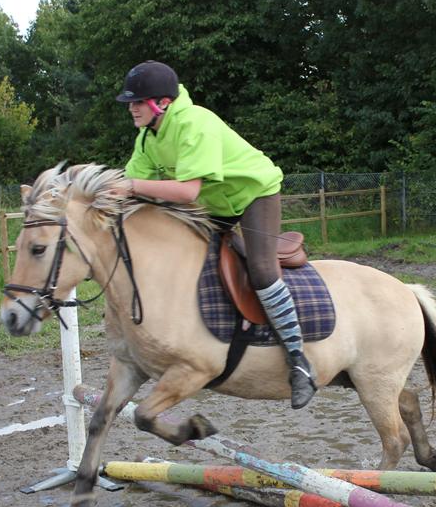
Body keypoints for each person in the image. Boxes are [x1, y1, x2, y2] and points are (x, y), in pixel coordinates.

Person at [113, 60, 317, 409]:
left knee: (263, 271)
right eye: (130, 102)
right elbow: (136, 189)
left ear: (161, 103)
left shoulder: (195, 123)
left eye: (137, 101)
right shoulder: (148, 137)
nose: (131, 108)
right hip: (216, 204)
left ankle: (299, 361)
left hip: (254, 194)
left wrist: (128, 185)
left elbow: (188, 191)